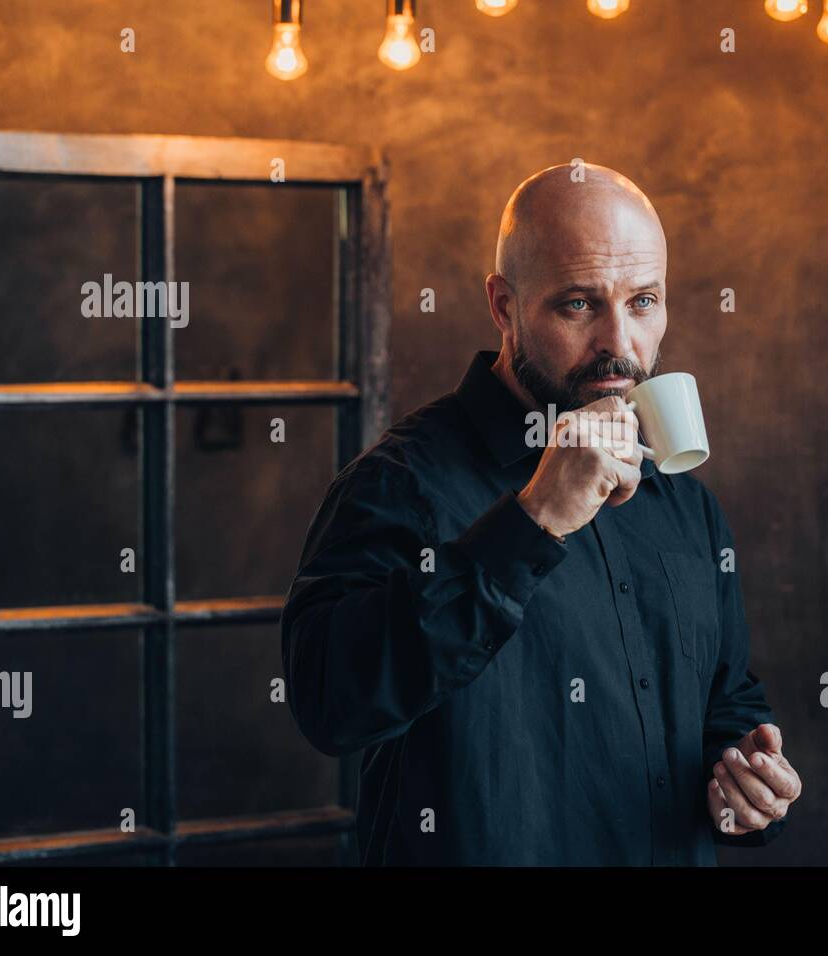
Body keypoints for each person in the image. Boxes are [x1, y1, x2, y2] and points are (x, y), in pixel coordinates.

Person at [280, 162, 801, 865]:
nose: (619, 343)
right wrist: (531, 522)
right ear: (503, 306)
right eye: (579, 305)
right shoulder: (399, 483)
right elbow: (328, 703)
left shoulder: (684, 501)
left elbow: (725, 699)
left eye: (643, 301)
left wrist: (742, 779)